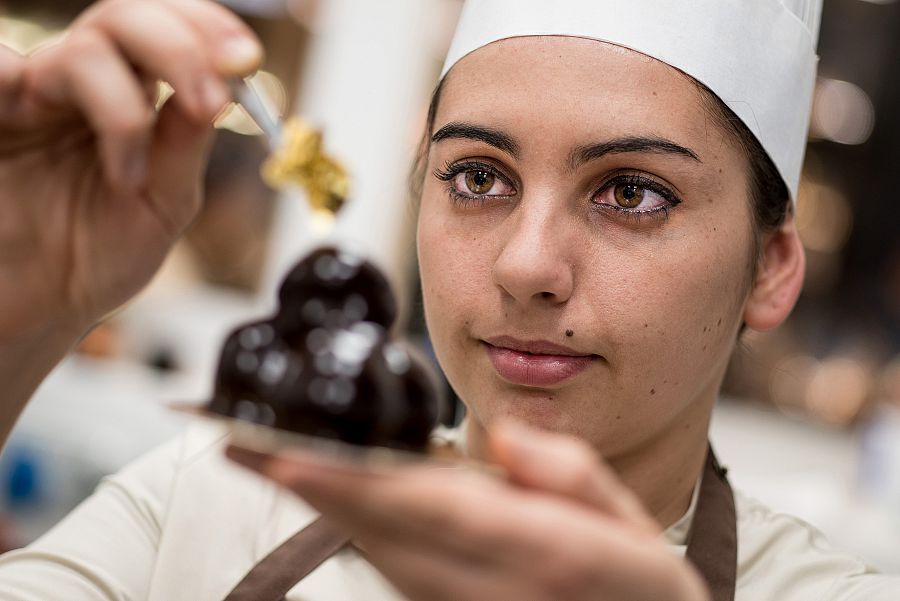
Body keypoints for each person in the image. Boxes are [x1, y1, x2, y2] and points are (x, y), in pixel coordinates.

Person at [0, 0, 897, 599]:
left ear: (773, 268)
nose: (526, 263)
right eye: (477, 175)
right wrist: (20, 306)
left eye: (632, 193)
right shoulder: (217, 495)